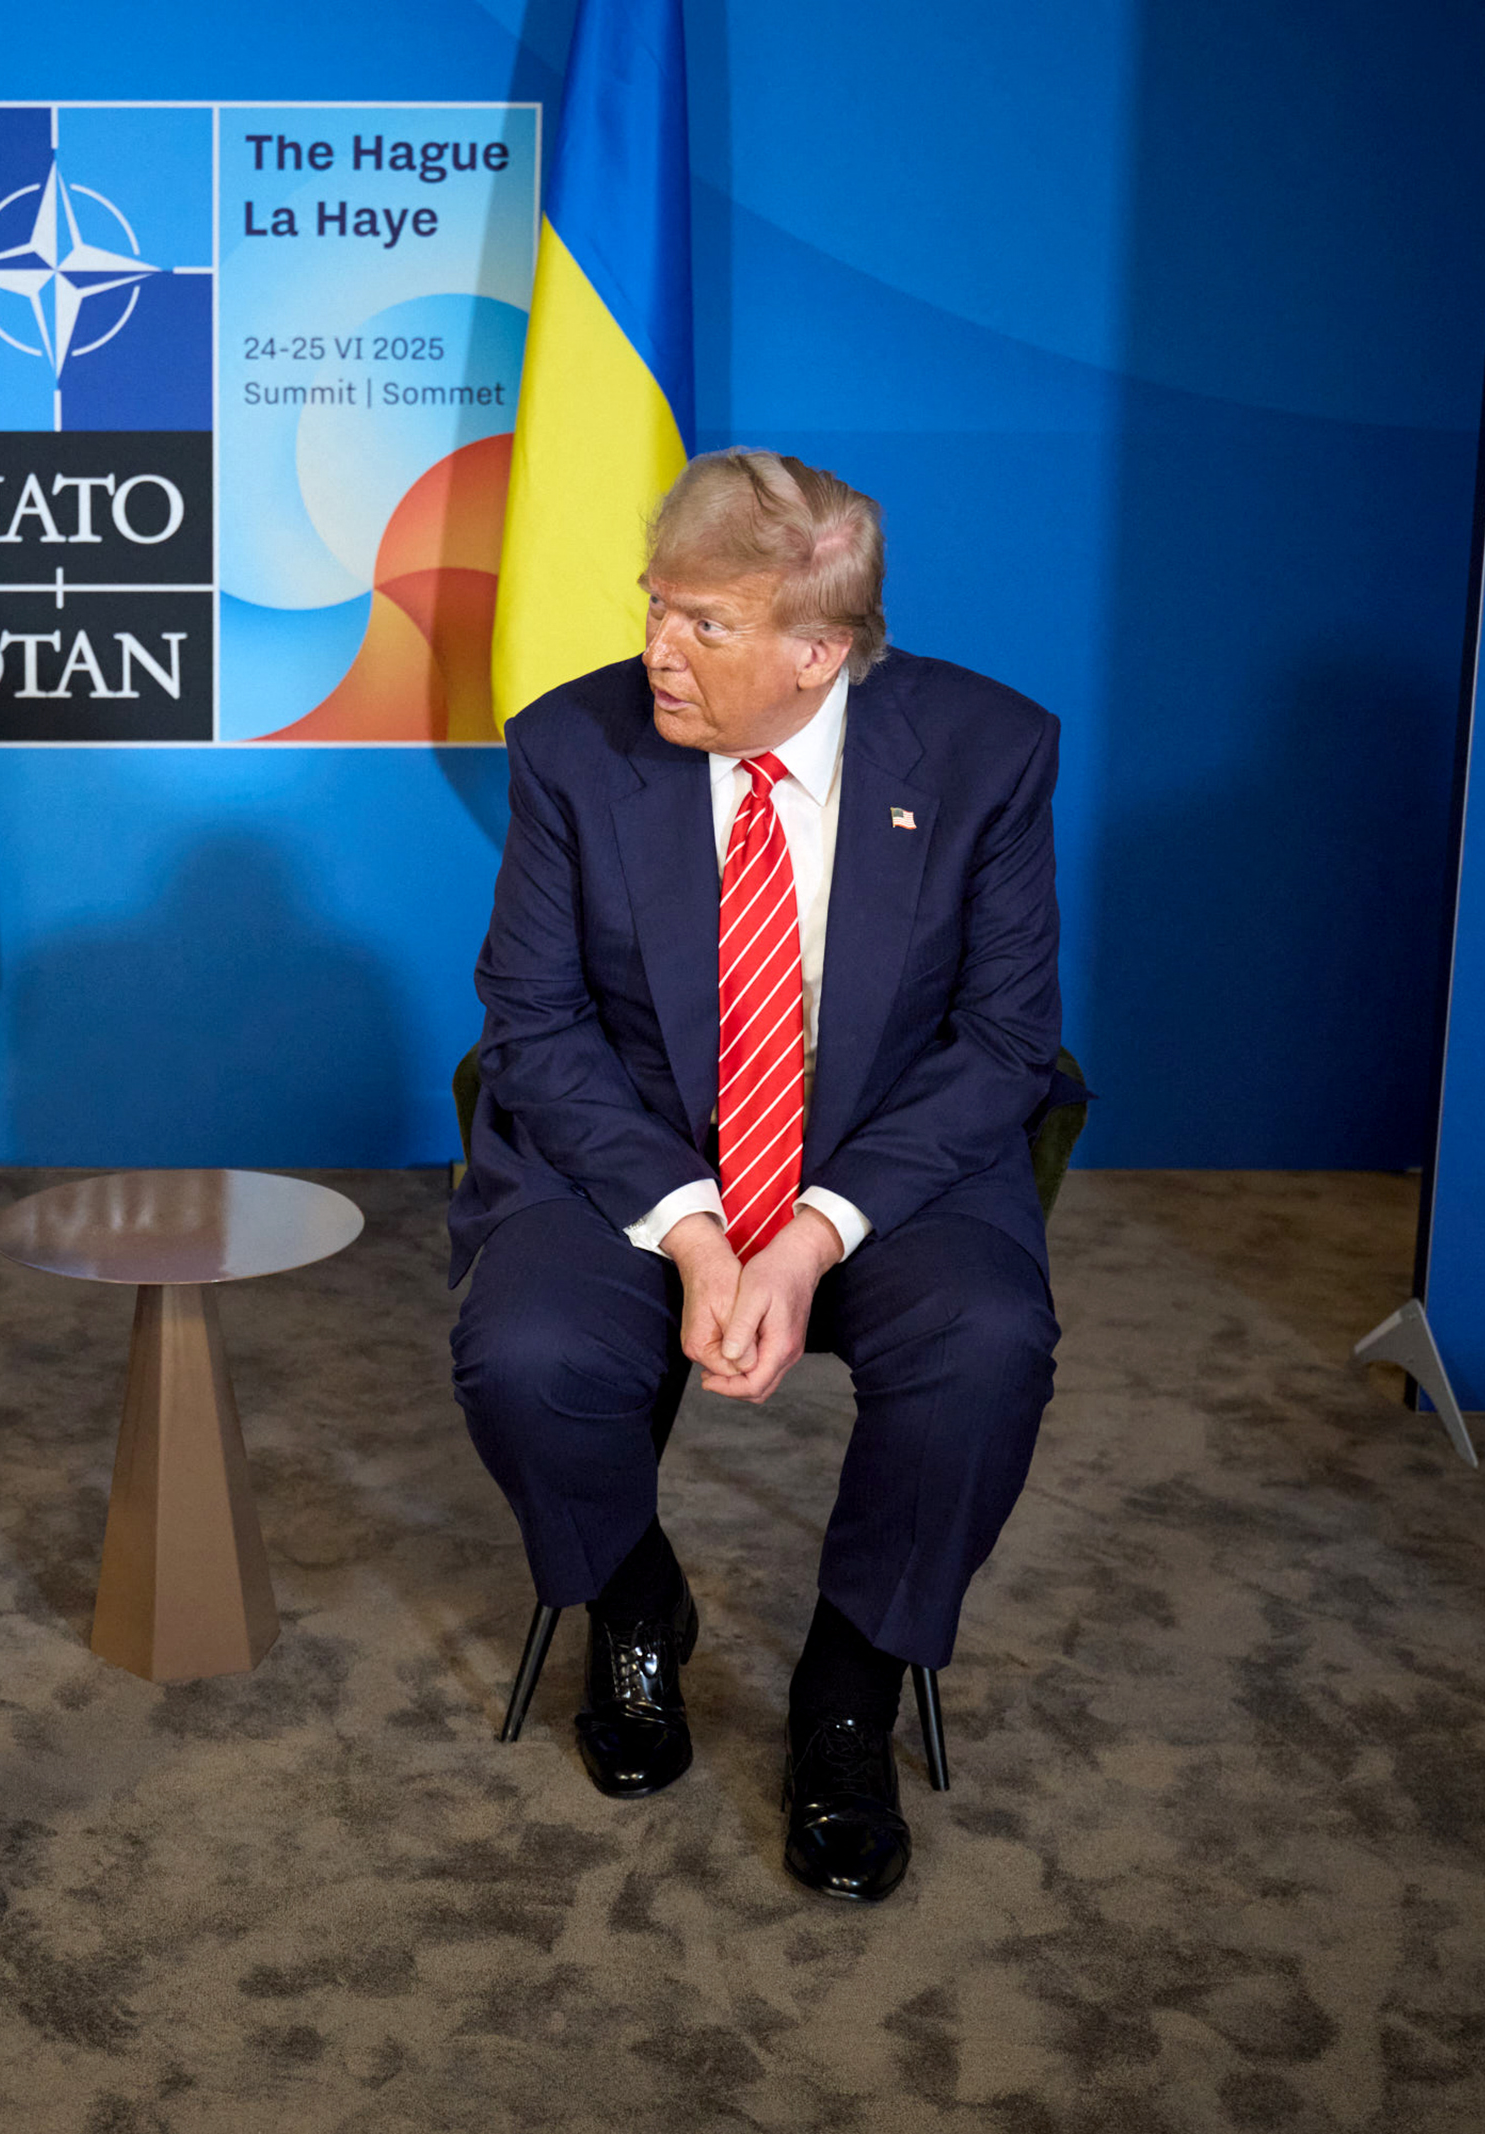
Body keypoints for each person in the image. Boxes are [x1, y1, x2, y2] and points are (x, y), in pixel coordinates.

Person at [449, 450, 1071, 1903]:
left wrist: (806, 1236)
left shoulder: (988, 754)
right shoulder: (571, 748)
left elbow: (1002, 1042)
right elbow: (532, 1026)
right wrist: (694, 1231)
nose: (657, 650)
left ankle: (847, 1686)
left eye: (703, 625)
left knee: (988, 1347)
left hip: (881, 1165)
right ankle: (638, 1602)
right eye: (655, 606)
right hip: (640, 1151)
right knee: (524, 1350)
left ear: (820, 648)